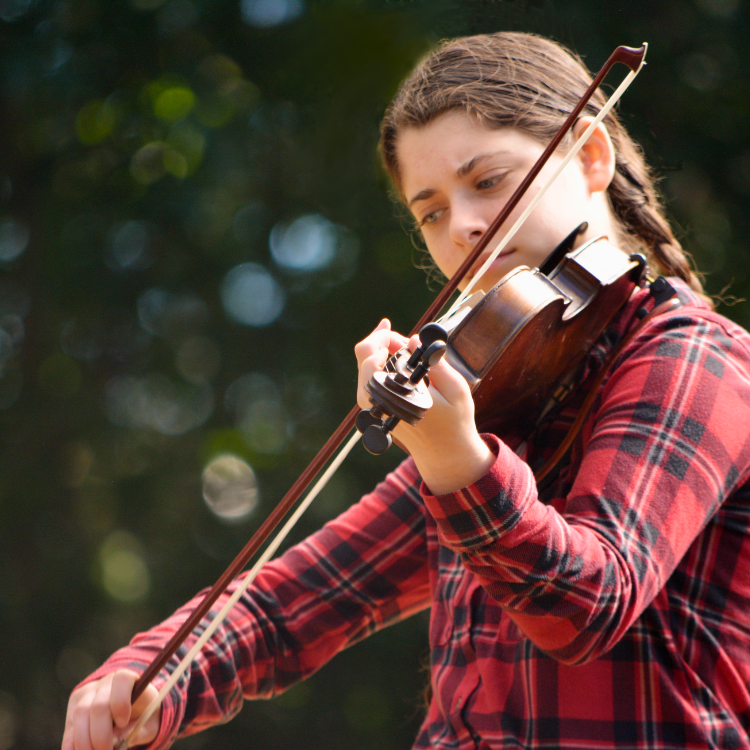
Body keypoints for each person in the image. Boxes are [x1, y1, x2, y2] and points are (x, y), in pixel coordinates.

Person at [62, 31, 750, 750]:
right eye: (431, 211)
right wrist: (149, 677)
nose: (465, 228)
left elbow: (587, 606)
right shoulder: (504, 389)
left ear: (589, 156)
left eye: (487, 181)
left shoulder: (699, 359)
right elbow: (290, 603)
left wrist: (458, 461)